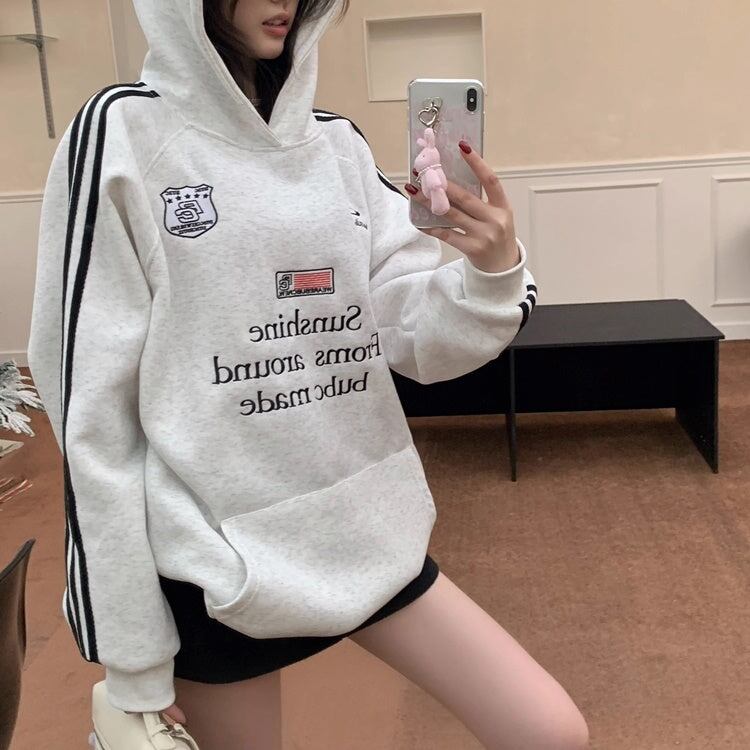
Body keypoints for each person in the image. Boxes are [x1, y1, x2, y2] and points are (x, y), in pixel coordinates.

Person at [26, 1, 589, 748]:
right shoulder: (122, 132)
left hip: (366, 529)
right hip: (219, 564)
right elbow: (92, 416)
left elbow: (412, 335)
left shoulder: (337, 144)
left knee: (549, 731)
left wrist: (490, 273)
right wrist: (133, 661)